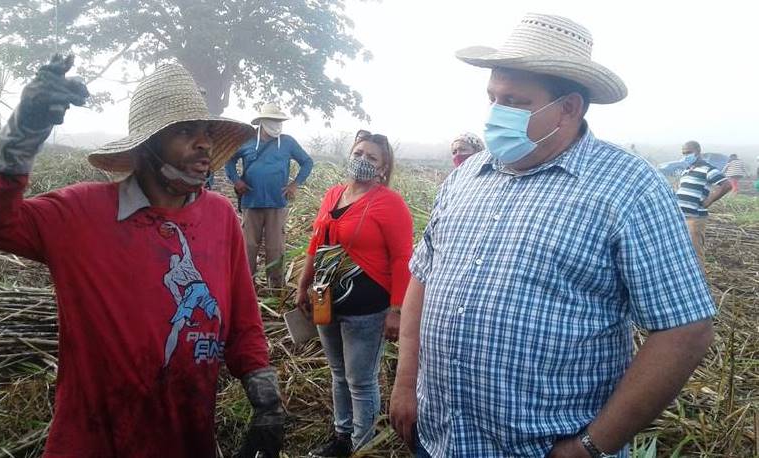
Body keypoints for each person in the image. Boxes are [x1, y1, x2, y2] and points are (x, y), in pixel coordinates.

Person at [389, 14, 716, 458]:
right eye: (492, 97)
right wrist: (406, 382)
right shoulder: (467, 178)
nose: (495, 113)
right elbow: (423, 277)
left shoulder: (628, 188)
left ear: (569, 108)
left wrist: (589, 446)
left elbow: (685, 329)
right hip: (441, 437)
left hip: (546, 449)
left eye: (515, 101)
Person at [0, 57, 285, 458]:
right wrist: (24, 132)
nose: (203, 142)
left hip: (188, 440)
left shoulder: (219, 216)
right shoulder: (81, 213)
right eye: (185, 131)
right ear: (147, 146)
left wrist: (265, 398)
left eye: (205, 132)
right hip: (97, 442)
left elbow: (242, 323)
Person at [296, 131, 414, 457]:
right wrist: (303, 284)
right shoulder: (333, 194)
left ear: (383, 166)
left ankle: (363, 447)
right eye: (358, 152)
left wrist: (396, 309)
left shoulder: (389, 203)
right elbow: (315, 243)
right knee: (338, 375)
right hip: (325, 300)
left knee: (360, 381)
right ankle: (341, 438)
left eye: (371, 157)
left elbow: (403, 257)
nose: (362, 160)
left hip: (367, 308)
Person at [225, 103, 314, 290]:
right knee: (249, 246)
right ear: (262, 122)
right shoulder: (247, 141)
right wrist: (236, 181)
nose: (276, 124)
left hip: (276, 204)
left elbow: (307, 162)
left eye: (278, 121)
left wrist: (294, 184)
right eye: (272, 121)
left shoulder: (288, 142)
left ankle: (276, 287)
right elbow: (229, 160)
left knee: (275, 248)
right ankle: (246, 286)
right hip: (251, 202)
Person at [676, 141, 731, 262]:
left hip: (695, 218)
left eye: (689, 152)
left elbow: (726, 185)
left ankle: (700, 279)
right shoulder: (686, 171)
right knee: (683, 251)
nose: (686, 156)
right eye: (684, 153)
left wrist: (710, 200)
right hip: (682, 217)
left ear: (698, 152)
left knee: (695, 252)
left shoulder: (707, 169)